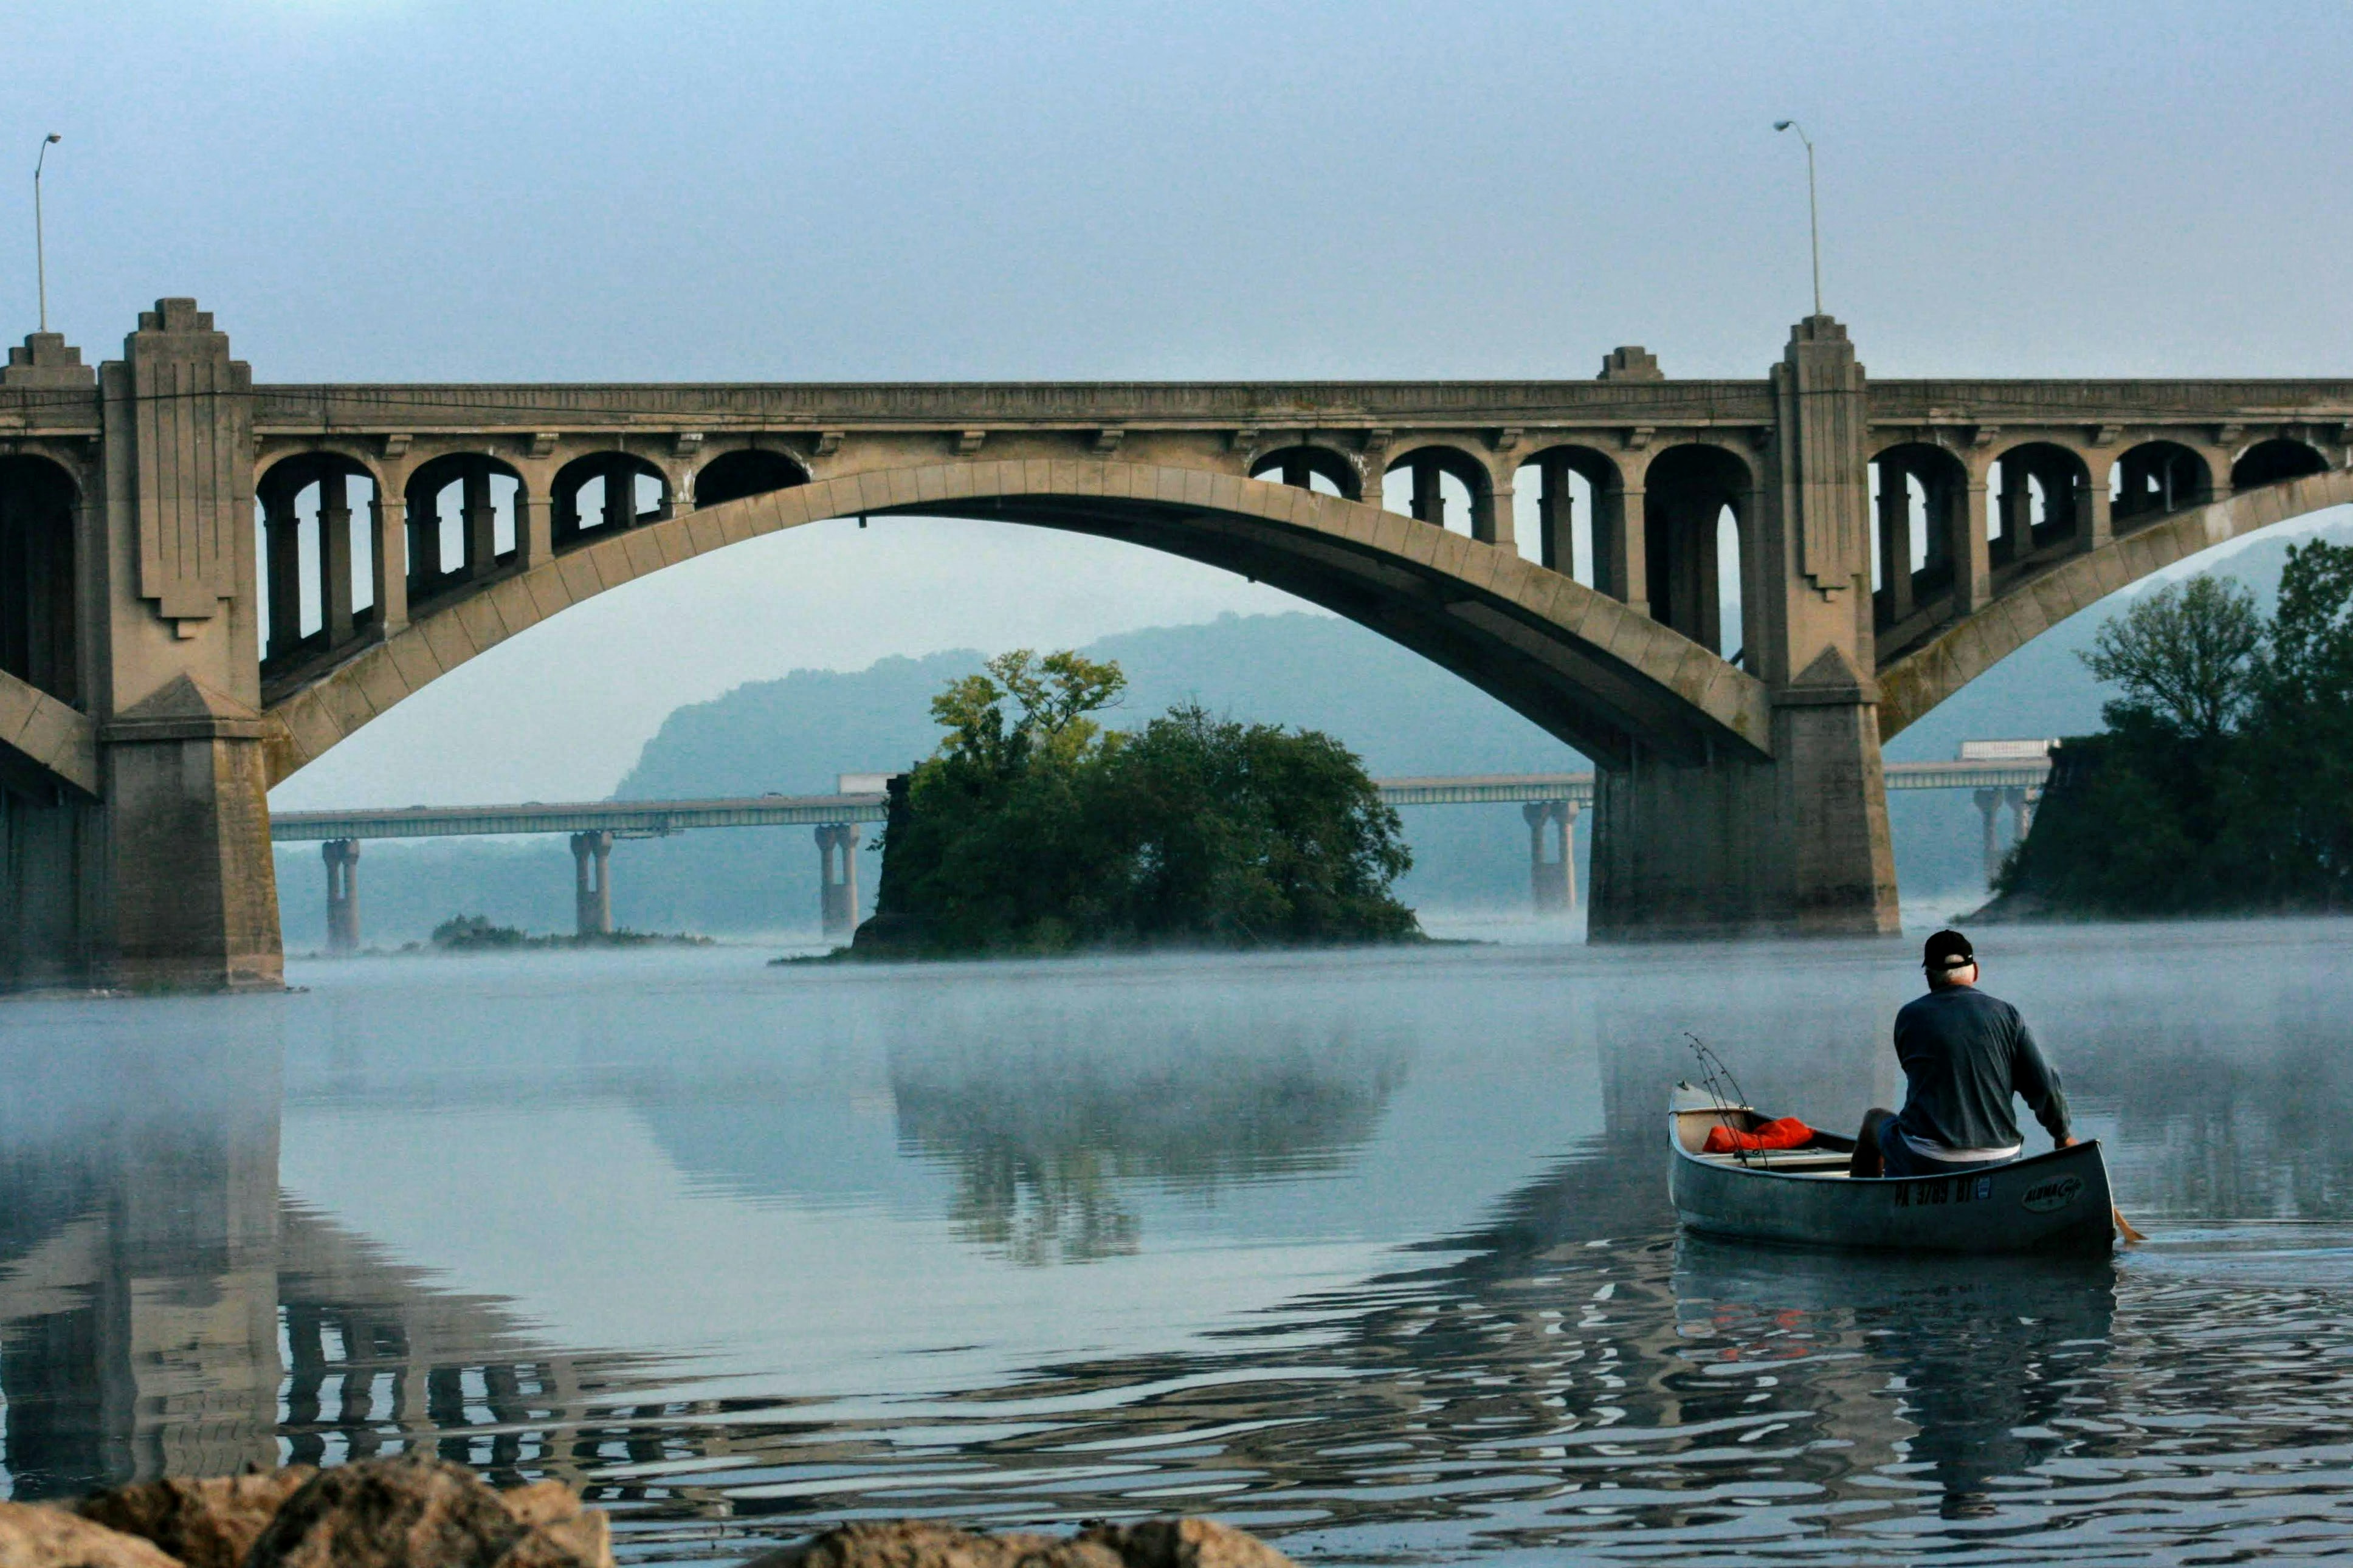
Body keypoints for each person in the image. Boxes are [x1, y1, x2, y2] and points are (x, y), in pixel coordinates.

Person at [1849, 929, 2076, 1180]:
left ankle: (1867, 1204)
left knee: (1874, 1121)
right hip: (2003, 1157)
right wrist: (2062, 1134)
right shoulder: (2008, 1015)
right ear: (1975, 971)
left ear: (1929, 977)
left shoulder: (1909, 1017)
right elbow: (2043, 1086)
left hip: (1929, 1158)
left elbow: (1916, 1072)